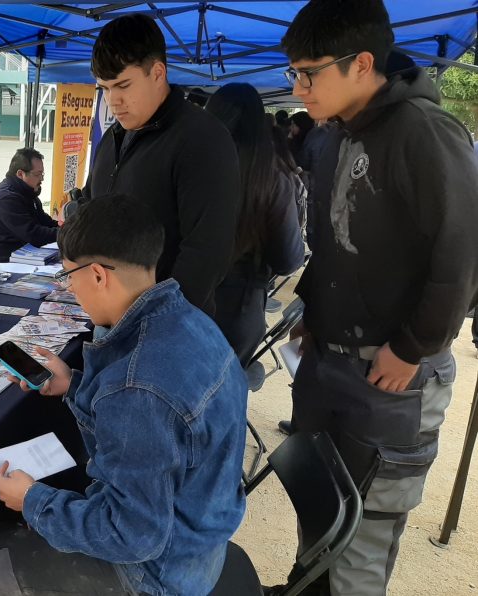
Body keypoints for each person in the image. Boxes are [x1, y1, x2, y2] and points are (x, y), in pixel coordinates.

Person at [0, 194, 247, 595]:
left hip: (158, 575)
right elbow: (162, 429)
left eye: (68, 276)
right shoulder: (192, 323)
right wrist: (74, 384)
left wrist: (33, 502)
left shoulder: (137, 385)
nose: (70, 288)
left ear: (97, 275)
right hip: (198, 541)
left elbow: (134, 536)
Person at [280, 1, 478, 594]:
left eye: (309, 72)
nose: (299, 87)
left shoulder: (427, 132)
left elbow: (463, 255)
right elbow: (336, 246)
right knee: (320, 519)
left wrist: (413, 347)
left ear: (362, 63)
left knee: (361, 546)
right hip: (329, 361)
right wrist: (312, 311)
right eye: (293, 72)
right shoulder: (335, 133)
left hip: (390, 373)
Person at [79, 14, 241, 318]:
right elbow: (92, 209)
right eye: (104, 88)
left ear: (157, 73)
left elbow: (206, 253)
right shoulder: (113, 138)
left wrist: (158, 325)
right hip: (108, 320)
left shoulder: (201, 139)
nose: (114, 101)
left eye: (123, 85)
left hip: (164, 330)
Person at [205, 83, 305, 366]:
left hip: (182, 299)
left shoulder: (190, 163)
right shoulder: (271, 178)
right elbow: (288, 260)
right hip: (238, 309)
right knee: (222, 400)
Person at [0, 148, 58, 266]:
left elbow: (44, 221)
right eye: (37, 174)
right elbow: (33, 234)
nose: (41, 179)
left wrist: (68, 228)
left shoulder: (27, 193)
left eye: (42, 174)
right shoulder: (6, 199)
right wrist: (66, 234)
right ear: (21, 174)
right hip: (4, 263)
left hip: (27, 257)